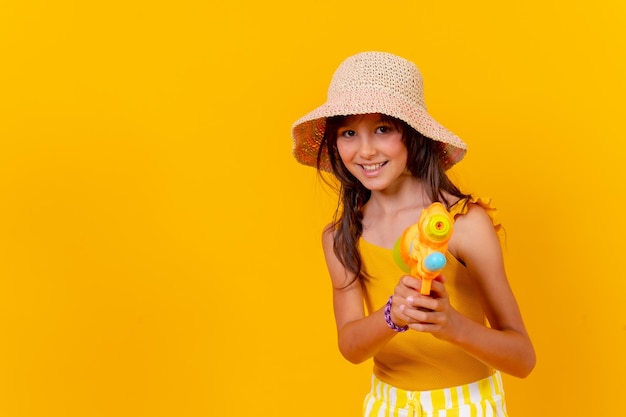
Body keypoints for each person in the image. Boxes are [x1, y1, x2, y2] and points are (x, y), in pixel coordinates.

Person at [291, 51, 535, 416]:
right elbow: (352, 348)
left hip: (467, 405)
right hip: (388, 406)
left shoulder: (465, 224)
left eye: (383, 129)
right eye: (348, 133)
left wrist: (450, 324)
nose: (366, 150)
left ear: (414, 134)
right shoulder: (341, 236)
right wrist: (393, 315)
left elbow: (522, 359)